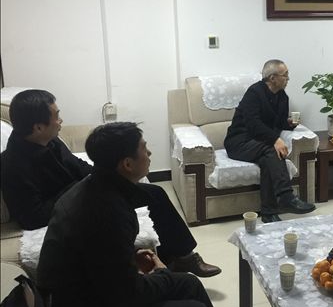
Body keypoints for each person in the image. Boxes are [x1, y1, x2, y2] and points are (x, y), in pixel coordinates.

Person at [36, 122, 229, 307]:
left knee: (190, 284)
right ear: (127, 164)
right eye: (144, 148)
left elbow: (100, 257)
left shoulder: (94, 187)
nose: (149, 153)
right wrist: (162, 273)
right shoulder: (106, 211)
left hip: (91, 290)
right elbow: (126, 294)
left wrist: (130, 257)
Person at [1, 89, 221, 277]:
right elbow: (32, 217)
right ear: (38, 127)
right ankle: (169, 263)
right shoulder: (13, 164)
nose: (61, 121)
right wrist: (79, 187)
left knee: (154, 193)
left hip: (86, 193)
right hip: (73, 207)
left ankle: (183, 256)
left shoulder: (50, 141)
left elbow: (79, 167)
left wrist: (103, 176)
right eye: (56, 116)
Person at [224, 59, 316, 223]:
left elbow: (277, 123)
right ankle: (286, 196)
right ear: (272, 78)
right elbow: (253, 124)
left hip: (260, 144)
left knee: (269, 160)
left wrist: (289, 124)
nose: (288, 78)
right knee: (272, 150)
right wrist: (275, 140)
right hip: (239, 142)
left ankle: (268, 213)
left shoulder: (282, 97)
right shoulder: (254, 93)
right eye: (285, 75)